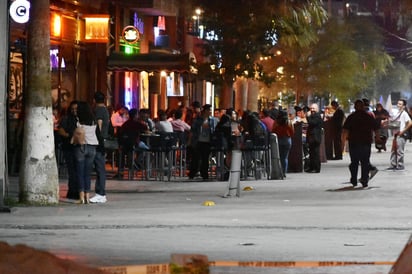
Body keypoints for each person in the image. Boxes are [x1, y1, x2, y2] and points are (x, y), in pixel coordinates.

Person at [342, 99, 381, 187]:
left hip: (354, 143)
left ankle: (354, 179)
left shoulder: (351, 117)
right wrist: (377, 138)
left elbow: (345, 131)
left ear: (355, 107)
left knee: (354, 162)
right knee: (365, 162)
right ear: (363, 107)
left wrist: (343, 143)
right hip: (365, 143)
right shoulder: (368, 116)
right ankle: (364, 179)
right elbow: (376, 128)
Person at [72, 101, 99, 204]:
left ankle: (81, 197)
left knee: (80, 172)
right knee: (87, 173)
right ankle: (87, 196)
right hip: (92, 147)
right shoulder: (93, 120)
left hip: (81, 147)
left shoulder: (78, 120)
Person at [90, 91, 110, 204]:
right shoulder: (105, 110)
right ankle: (100, 193)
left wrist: (97, 138)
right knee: (100, 167)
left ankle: (100, 193)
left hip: (98, 141)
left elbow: (99, 125)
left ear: (94, 100)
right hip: (102, 140)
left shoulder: (98, 110)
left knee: (99, 167)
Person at [188, 104, 217, 180]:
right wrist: (190, 142)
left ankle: (204, 174)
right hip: (198, 141)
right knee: (196, 158)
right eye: (209, 110)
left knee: (205, 159)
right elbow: (192, 131)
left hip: (207, 142)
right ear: (204, 111)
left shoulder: (213, 120)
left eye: (211, 110)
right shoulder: (197, 120)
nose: (210, 111)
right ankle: (192, 173)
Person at [58, 101, 79, 200]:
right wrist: (69, 136)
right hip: (69, 147)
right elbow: (61, 130)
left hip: (78, 147)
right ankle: (72, 192)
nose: (74, 111)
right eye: (72, 109)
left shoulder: (81, 119)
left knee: (77, 170)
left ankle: (77, 191)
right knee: (72, 170)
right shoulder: (66, 119)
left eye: (76, 109)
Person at [388, 99, 412, 170]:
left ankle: (400, 165)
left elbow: (410, 123)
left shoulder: (404, 113)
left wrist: (403, 131)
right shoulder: (398, 113)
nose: (399, 105)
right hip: (396, 135)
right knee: (394, 150)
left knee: (399, 151)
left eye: (400, 104)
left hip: (401, 135)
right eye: (398, 104)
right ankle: (393, 165)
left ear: (404, 106)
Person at [272, 110, 294, 176]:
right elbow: (292, 132)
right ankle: (284, 172)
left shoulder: (276, 122)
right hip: (287, 139)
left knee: (279, 156)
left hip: (279, 139)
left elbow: (273, 130)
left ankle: (279, 171)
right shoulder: (289, 122)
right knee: (285, 157)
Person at [305, 103, 323, 173]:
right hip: (311, 137)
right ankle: (311, 167)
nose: (312, 110)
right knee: (311, 153)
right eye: (311, 108)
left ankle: (316, 168)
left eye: (313, 108)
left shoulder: (317, 116)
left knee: (316, 153)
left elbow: (312, 123)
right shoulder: (312, 116)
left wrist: (308, 117)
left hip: (315, 137)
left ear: (317, 109)